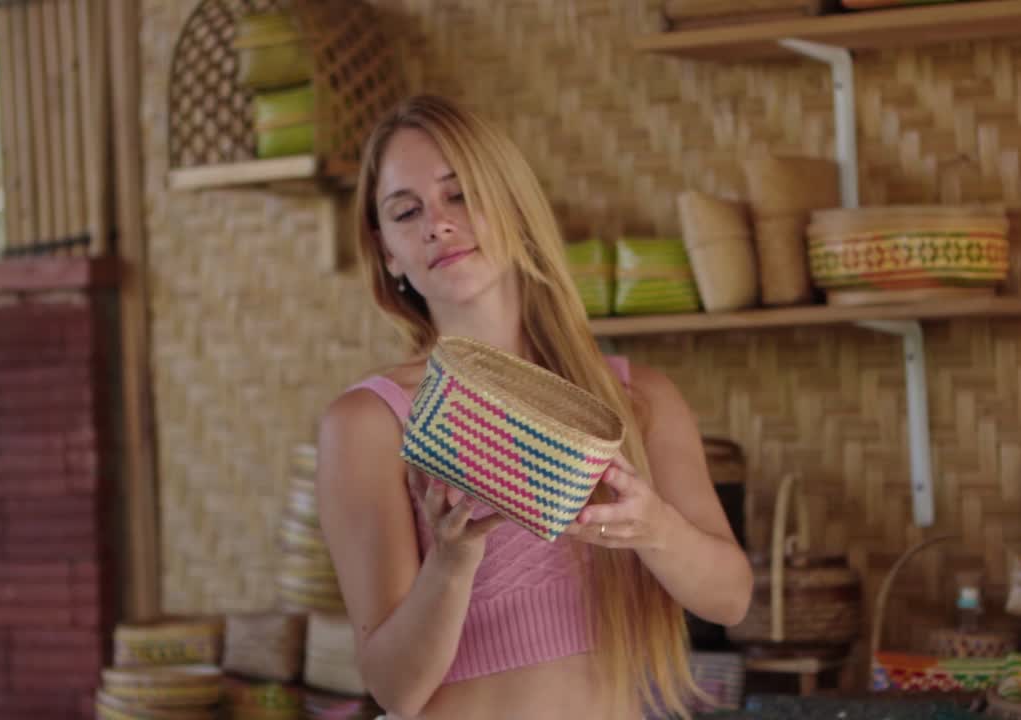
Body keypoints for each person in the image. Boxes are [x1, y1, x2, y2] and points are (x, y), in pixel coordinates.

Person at [315, 95, 753, 720]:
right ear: (389, 253)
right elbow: (394, 688)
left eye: (459, 194)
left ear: (514, 207)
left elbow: (731, 600)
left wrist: (653, 527)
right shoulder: (370, 422)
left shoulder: (638, 401)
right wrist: (452, 563)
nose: (436, 223)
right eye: (406, 211)